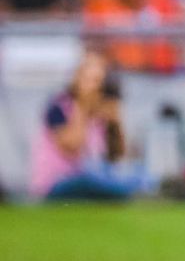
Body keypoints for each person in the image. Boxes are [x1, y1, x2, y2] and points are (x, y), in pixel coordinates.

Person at [28, 52, 144, 200]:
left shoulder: (99, 115)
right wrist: (82, 107)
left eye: (99, 81)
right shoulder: (59, 107)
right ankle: (131, 192)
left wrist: (115, 122)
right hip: (56, 182)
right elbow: (72, 146)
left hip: (91, 178)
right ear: (78, 79)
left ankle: (132, 189)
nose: (94, 88)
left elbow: (117, 155)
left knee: (136, 173)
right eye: (91, 80)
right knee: (89, 180)